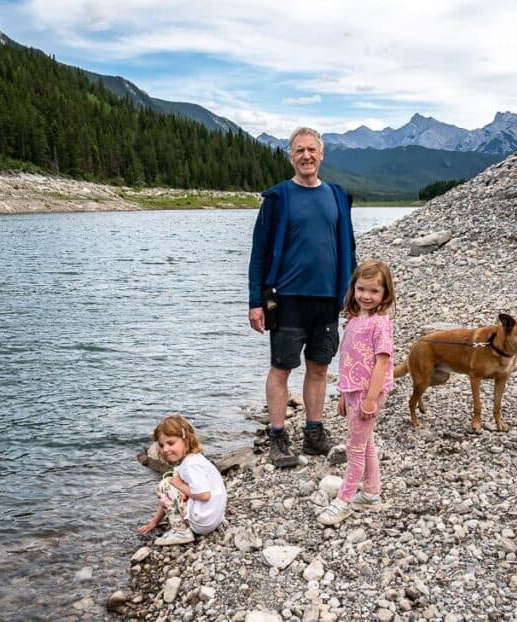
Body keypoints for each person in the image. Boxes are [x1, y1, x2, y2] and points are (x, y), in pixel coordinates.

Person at [248, 127, 357, 468]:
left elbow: (348, 250)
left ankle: (313, 433)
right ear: (291, 157)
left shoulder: (338, 196)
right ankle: (278, 437)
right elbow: (259, 254)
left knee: (319, 368)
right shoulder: (278, 199)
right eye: (299, 151)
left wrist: (352, 297)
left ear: (321, 154)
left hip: (328, 299)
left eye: (312, 149)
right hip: (287, 298)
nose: (306, 156)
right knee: (281, 368)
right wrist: (255, 301)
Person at [317, 260, 396, 526]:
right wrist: (343, 394)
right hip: (353, 390)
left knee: (355, 447)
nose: (366, 296)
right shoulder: (354, 320)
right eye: (361, 289)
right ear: (353, 289)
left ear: (385, 293)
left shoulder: (380, 323)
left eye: (374, 291)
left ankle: (344, 499)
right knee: (367, 442)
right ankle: (371, 493)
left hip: (367, 393)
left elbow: (382, 362)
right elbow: (351, 361)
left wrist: (371, 398)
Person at [137, 414, 227, 545]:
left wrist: (177, 484)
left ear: (186, 440)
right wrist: (154, 522)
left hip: (203, 523)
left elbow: (204, 495)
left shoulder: (191, 465)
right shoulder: (195, 459)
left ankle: (181, 532)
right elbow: (169, 499)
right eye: (161, 445)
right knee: (172, 486)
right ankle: (189, 523)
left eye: (171, 443)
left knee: (165, 485)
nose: (165, 449)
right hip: (213, 519)